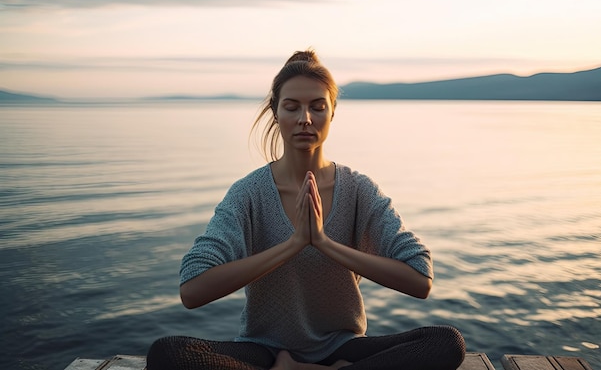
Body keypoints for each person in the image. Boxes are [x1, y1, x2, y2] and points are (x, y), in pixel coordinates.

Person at [147, 50, 465, 370]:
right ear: (275, 111)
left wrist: (325, 243)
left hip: (342, 346)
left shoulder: (358, 190)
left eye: (317, 106)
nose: (305, 119)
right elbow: (192, 288)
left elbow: (420, 277)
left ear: (332, 112)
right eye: (292, 107)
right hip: (264, 349)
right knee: (168, 352)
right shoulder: (249, 194)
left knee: (445, 342)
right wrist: (293, 244)